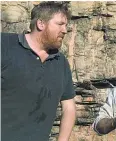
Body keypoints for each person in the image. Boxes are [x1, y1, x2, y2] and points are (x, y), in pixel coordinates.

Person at [1, 2, 76, 141]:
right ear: (41, 24)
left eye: (65, 25)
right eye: (60, 24)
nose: (65, 30)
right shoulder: (4, 45)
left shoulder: (60, 62)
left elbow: (69, 108)